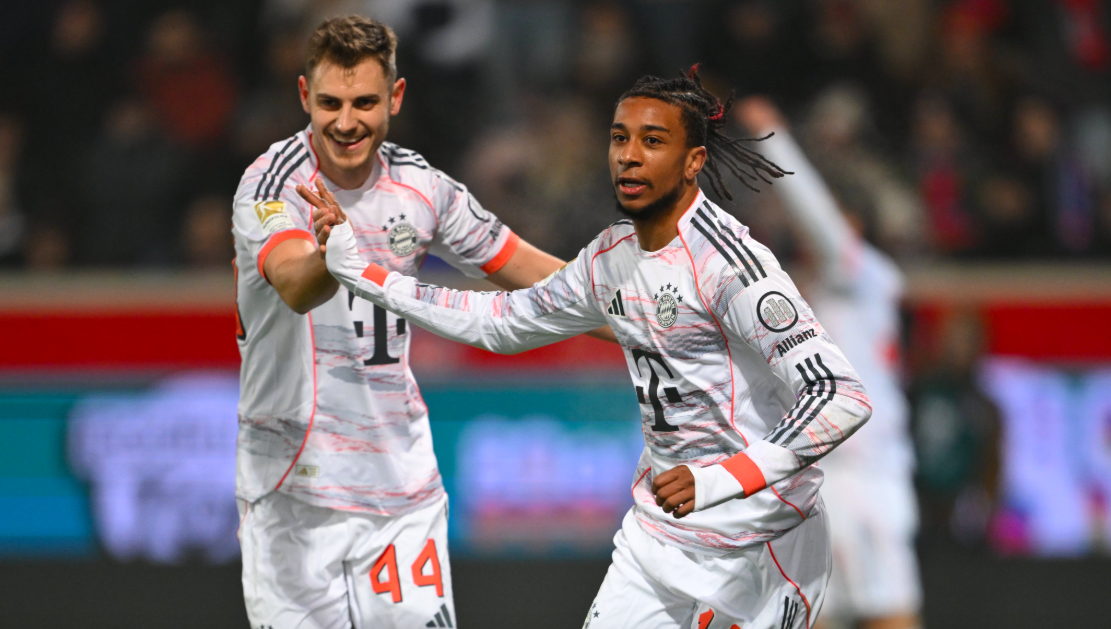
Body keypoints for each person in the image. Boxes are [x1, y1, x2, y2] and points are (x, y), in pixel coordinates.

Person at [308, 67, 873, 629]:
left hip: (762, 547)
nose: (629, 156)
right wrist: (362, 273)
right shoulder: (608, 259)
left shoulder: (732, 267)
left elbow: (841, 396)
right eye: (620, 137)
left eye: (653, 141)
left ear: (693, 161)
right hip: (659, 541)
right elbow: (499, 321)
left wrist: (721, 479)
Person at [232, 16, 610, 629]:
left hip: (400, 490)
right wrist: (334, 255)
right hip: (292, 494)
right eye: (330, 103)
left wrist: (644, 325)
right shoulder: (273, 183)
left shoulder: (422, 188)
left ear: (396, 97)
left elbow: (532, 273)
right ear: (304, 96)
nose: (346, 122)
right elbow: (296, 285)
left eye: (364, 102)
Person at [736, 99, 923, 629]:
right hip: (814, 481)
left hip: (866, 476)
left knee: (889, 615)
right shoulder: (804, 294)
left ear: (854, 224)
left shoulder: (867, 277)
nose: (811, 227)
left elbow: (822, 225)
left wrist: (775, 140)